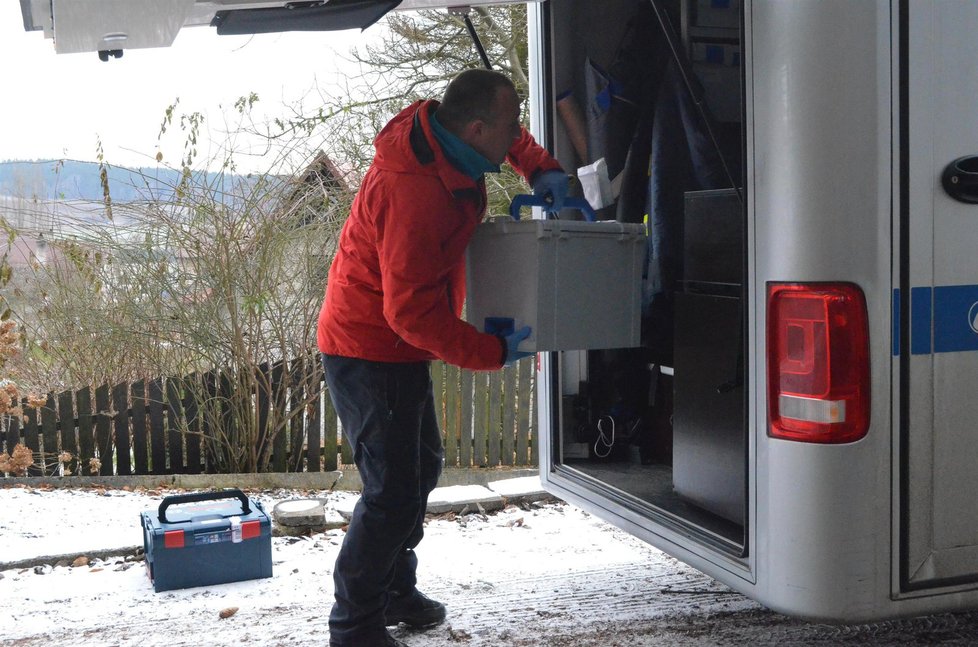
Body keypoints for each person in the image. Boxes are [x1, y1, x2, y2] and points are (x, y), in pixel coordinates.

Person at [317, 68, 568, 647]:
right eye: (507, 130)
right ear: (476, 128)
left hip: (395, 347)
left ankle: (394, 591)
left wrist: (542, 167)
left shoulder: (448, 139)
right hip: (368, 346)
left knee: (420, 468)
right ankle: (353, 625)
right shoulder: (417, 192)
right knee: (391, 491)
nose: (514, 138)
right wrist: (488, 351)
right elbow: (408, 314)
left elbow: (508, 132)